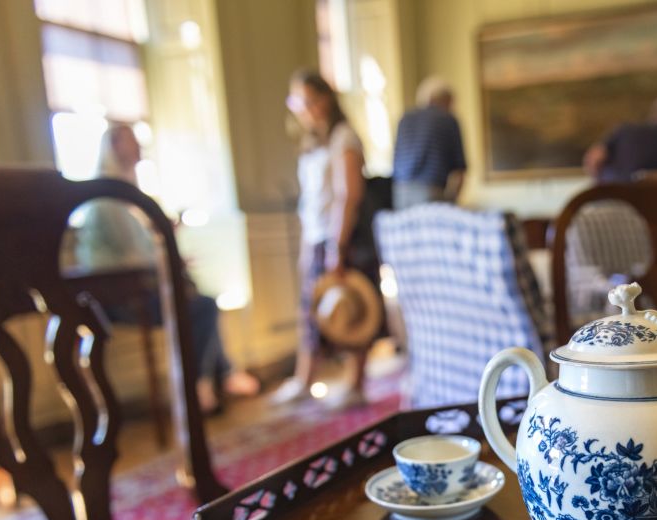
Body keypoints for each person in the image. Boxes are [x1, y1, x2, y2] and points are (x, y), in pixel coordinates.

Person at [75, 125, 259, 413]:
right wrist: (166, 256)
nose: (137, 148)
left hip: (136, 287)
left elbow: (138, 247)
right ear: (114, 146)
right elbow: (128, 257)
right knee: (202, 307)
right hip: (120, 298)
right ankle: (203, 385)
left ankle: (219, 375)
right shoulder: (108, 195)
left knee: (197, 299)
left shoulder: (126, 192)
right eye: (130, 141)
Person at [274, 70, 374, 406]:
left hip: (343, 236)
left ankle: (355, 383)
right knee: (314, 311)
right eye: (297, 102)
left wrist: (338, 246)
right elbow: (311, 203)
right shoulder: (312, 142)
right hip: (316, 235)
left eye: (307, 100)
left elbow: (348, 195)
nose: (303, 109)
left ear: (325, 99)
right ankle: (305, 379)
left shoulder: (344, 138)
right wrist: (308, 246)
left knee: (351, 306)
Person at [392, 76, 467, 209]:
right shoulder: (448, 119)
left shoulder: (405, 119)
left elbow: (396, 159)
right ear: (444, 99)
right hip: (431, 191)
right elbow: (460, 169)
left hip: (399, 192)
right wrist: (451, 202)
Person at [583, 95, 657, 182]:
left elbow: (595, 158)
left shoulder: (624, 130)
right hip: (646, 202)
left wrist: (600, 185)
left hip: (612, 197)